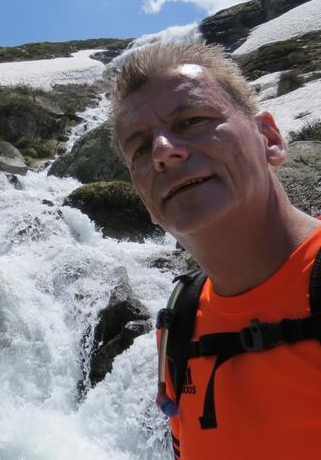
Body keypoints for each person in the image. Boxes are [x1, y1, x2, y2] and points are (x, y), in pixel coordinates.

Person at [110, 43, 321, 459]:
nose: (162, 151)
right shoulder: (178, 326)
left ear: (270, 140)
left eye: (192, 120)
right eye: (139, 149)